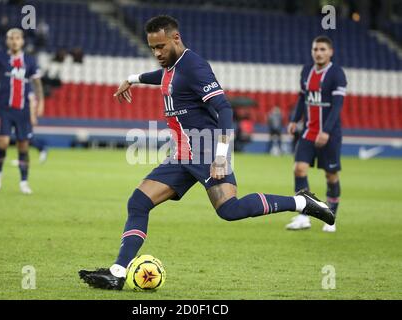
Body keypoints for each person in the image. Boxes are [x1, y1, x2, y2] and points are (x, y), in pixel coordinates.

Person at [79, 16, 335, 290]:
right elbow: (164, 77)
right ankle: (118, 272)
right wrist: (132, 79)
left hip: (206, 150)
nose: (157, 54)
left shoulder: (195, 66)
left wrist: (221, 155)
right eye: (152, 48)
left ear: (176, 38)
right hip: (182, 155)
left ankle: (302, 203)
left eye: (161, 47)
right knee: (138, 202)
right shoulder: (172, 67)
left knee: (230, 210)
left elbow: (224, 109)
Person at [285, 36, 347, 232]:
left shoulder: (337, 74)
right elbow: (302, 99)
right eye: (315, 49)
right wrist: (295, 120)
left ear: (330, 52)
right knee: (299, 169)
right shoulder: (306, 71)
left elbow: (337, 106)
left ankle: (331, 217)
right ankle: (304, 216)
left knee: (330, 175)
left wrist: (326, 131)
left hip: (329, 134)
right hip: (308, 132)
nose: (318, 53)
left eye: (322, 49)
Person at [0, 28, 44, 194]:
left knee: (23, 146)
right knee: (2, 142)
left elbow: (37, 84)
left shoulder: (30, 61)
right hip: (5, 108)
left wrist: (40, 104)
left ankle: (24, 182)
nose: (14, 41)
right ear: (7, 41)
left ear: (22, 41)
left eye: (17, 38)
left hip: (23, 109)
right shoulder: (0, 56)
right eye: (11, 38)